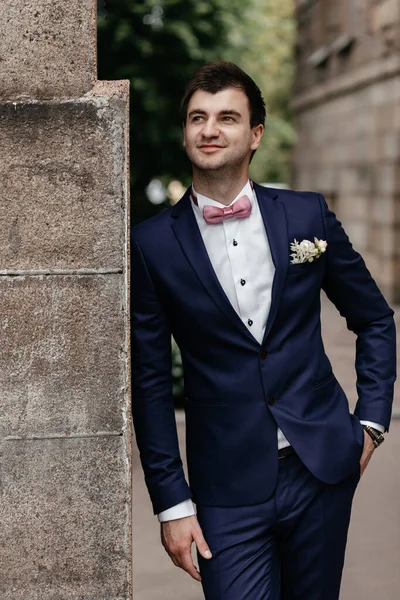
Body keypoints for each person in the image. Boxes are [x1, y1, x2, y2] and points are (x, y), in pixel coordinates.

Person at [131, 61, 396, 600]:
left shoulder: (307, 216)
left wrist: (370, 425)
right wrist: (172, 503)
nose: (209, 129)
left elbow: (374, 318)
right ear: (185, 132)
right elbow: (151, 381)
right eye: (197, 118)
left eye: (227, 117)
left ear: (254, 134)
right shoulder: (152, 244)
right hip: (226, 488)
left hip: (321, 468)